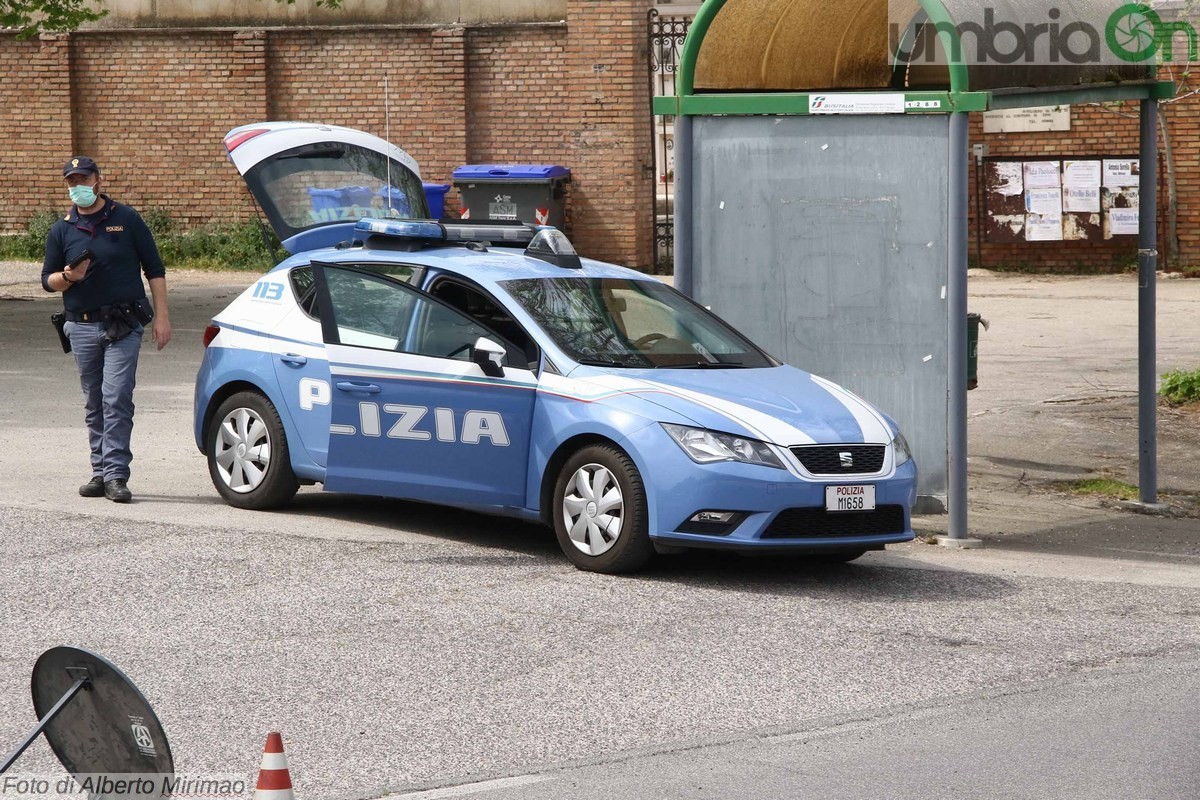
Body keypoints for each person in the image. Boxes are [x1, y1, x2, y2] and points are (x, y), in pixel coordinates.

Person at [41, 156, 172, 503]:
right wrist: (69, 277)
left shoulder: (125, 219)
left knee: (116, 396)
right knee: (95, 401)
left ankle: (116, 475)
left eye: (83, 179)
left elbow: (154, 269)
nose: (77, 186)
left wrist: (162, 317)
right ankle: (99, 472)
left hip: (123, 325)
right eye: (72, 181)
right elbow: (47, 281)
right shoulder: (62, 229)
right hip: (81, 326)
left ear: (98, 180)